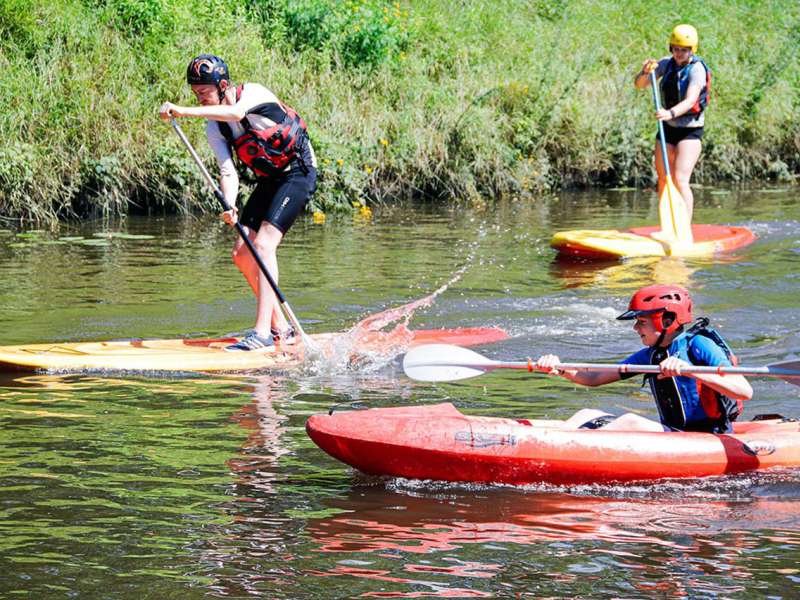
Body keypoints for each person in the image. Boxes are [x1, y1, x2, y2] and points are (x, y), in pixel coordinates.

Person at [159, 54, 317, 351]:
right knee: (241, 254)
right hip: (269, 181)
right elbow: (227, 170)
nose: (201, 99)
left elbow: (235, 112)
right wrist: (229, 203)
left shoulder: (254, 93)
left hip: (298, 172)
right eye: (196, 95)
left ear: (222, 86)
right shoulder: (214, 128)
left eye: (204, 93)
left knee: (264, 246)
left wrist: (181, 110)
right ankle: (282, 328)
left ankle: (262, 333)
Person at [535, 284, 752, 433]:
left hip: (706, 435)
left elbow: (744, 391)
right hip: (674, 433)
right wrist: (559, 368)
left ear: (667, 320)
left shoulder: (700, 344)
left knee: (630, 421)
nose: (635, 327)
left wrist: (690, 370)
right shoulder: (652, 355)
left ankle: (571, 449)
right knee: (587, 413)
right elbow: (594, 377)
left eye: (642, 322)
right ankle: (546, 442)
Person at [634, 24, 711, 222]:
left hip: (690, 131)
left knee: (680, 179)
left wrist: (670, 113)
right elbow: (640, 85)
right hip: (666, 130)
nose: (679, 53)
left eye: (683, 50)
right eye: (675, 48)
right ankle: (668, 224)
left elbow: (691, 100)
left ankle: (684, 227)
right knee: (663, 180)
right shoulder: (666, 63)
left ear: (692, 50)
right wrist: (644, 72)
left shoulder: (697, 70)